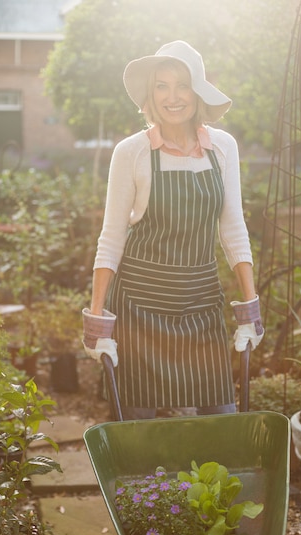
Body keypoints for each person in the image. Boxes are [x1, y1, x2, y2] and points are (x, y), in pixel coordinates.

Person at [82, 40, 264, 420]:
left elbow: (233, 228)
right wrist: (98, 321)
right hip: (139, 308)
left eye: (182, 85)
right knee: (138, 431)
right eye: (161, 86)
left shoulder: (223, 148)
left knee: (221, 418)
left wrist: (250, 311)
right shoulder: (131, 152)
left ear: (197, 91)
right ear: (150, 95)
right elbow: (112, 237)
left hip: (200, 305)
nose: (173, 97)